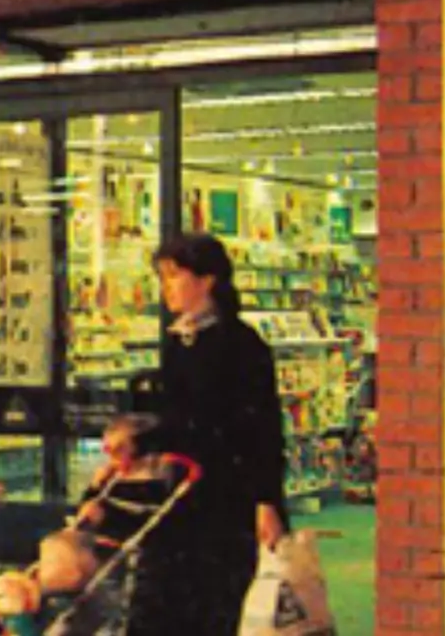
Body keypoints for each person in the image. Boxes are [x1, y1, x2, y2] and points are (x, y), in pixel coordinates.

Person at [123, 233, 289, 636]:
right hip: (177, 501)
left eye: (174, 276)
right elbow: (173, 420)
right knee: (157, 610)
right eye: (161, 278)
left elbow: (261, 428)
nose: (166, 289)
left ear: (207, 280)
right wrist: (134, 448)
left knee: (210, 611)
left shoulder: (242, 346)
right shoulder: (178, 343)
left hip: (224, 504)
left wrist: (265, 501)